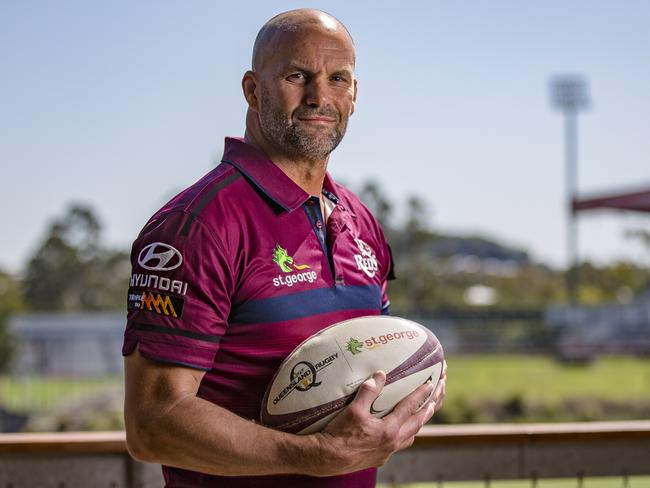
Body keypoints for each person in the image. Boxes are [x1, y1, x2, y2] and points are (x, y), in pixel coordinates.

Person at [123, 8, 446, 488]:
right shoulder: (198, 225)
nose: (320, 97)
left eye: (338, 78)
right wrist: (316, 456)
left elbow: (366, 371)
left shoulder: (360, 222)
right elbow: (153, 424)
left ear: (354, 94)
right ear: (253, 90)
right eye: (298, 76)